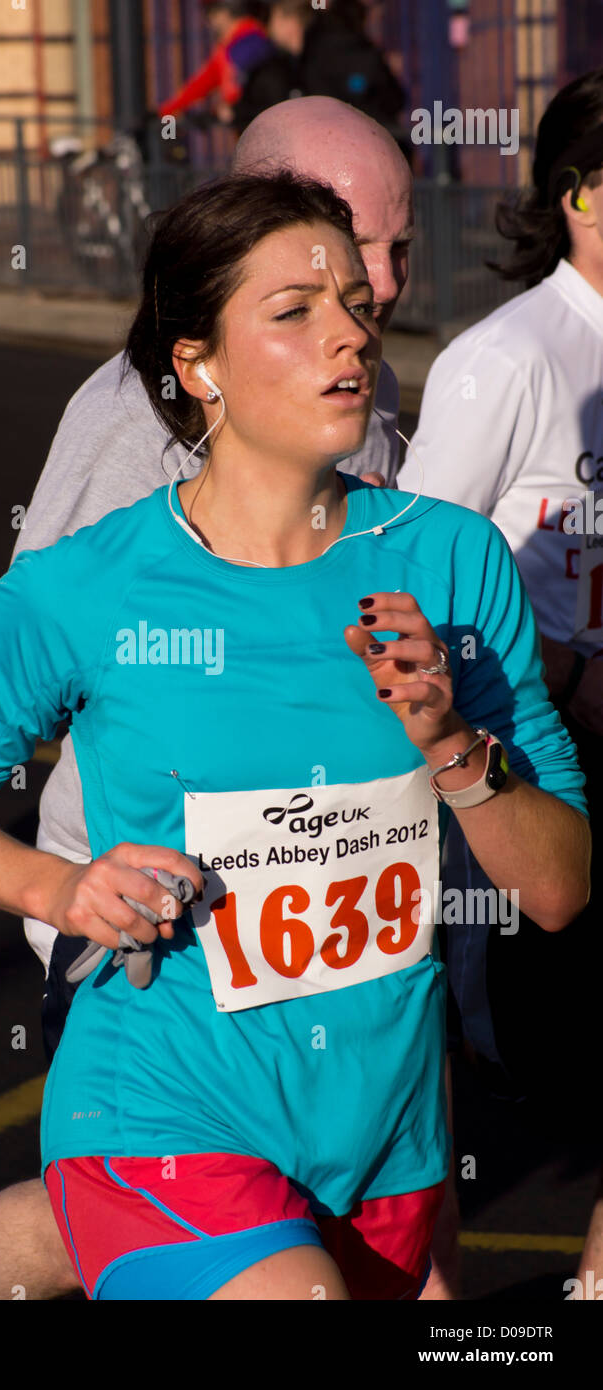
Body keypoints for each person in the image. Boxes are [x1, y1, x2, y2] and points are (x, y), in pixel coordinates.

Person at [0, 167, 590, 1301]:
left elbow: (554, 890)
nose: (348, 337)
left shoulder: (449, 561)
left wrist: (450, 741)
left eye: (355, 301)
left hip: (377, 1128)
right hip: (160, 1093)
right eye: (294, 313)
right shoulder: (84, 591)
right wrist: (56, 893)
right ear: (195, 363)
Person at [0, 99, 432, 1304]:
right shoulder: (137, 422)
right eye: (357, 248)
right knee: (212, 1218)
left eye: (399, 253)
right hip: (155, 928)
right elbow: (33, 651)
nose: (387, 285)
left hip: (325, 911)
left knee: (97, 1215)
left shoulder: (363, 374)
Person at [396, 68, 603, 1292]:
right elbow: (406, 581)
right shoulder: (507, 358)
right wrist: (554, 666)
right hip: (521, 768)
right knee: (468, 1071)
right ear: (583, 197)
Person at [302, 0, 405, 140]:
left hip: (327, 135)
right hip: (369, 138)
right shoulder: (366, 56)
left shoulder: (311, 44)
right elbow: (395, 100)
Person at [158, 2, 272, 128]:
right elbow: (201, 83)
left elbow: (251, 86)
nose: (209, 21)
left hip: (259, 122)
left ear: (224, 13)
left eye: (210, 13)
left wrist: (235, 108)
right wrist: (166, 110)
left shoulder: (251, 40)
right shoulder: (228, 47)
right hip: (246, 123)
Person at [232, 1, 312, 135]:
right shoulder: (289, 62)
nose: (269, 26)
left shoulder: (316, 58)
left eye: (273, 18)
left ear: (291, 21)